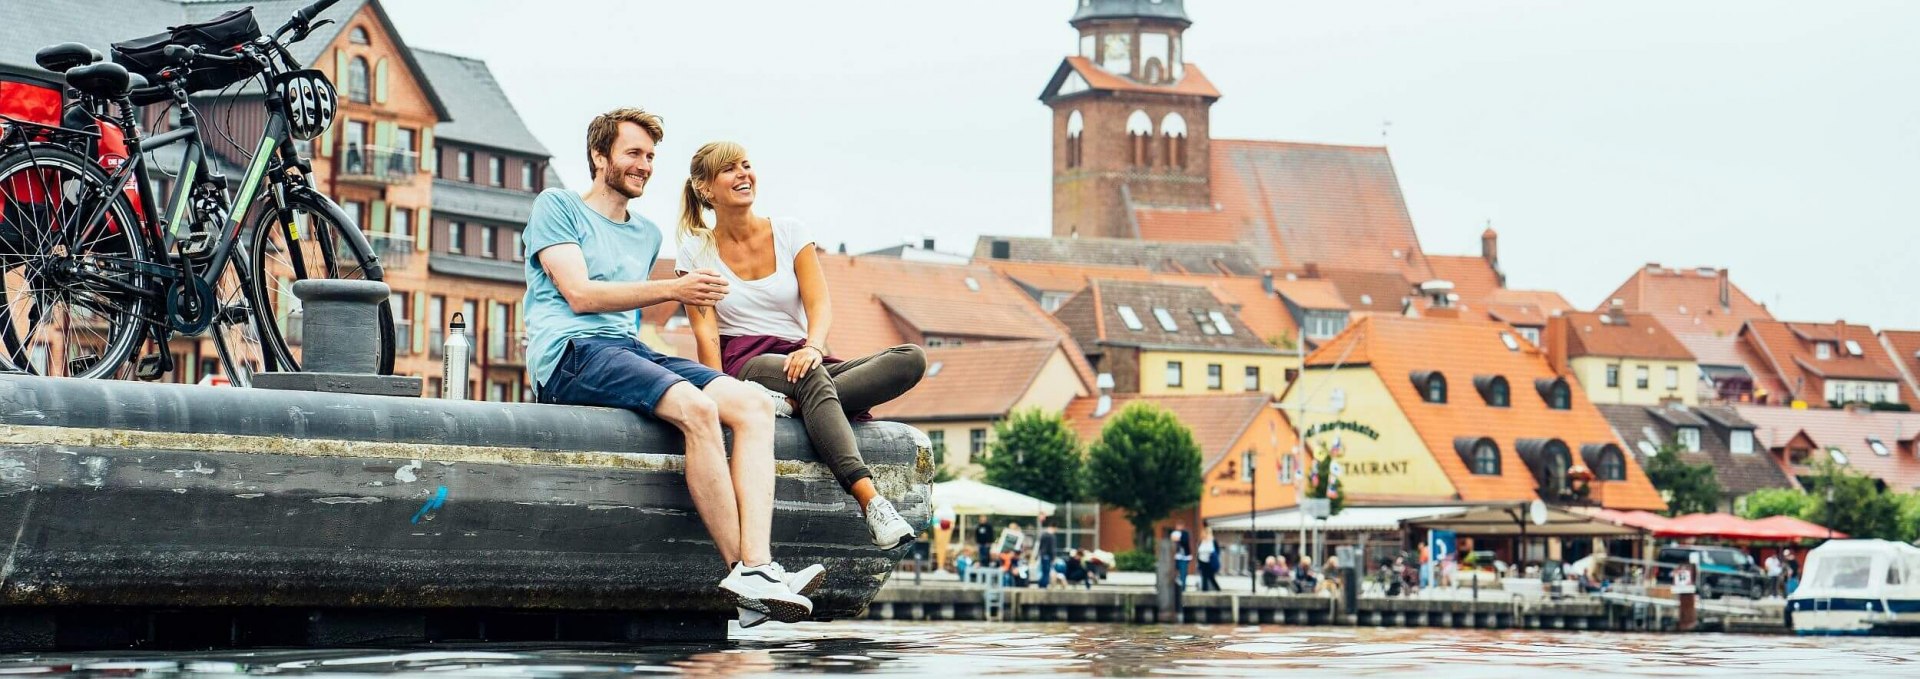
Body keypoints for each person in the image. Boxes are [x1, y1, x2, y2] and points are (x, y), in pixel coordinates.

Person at [525, 108, 816, 626]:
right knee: (696, 408)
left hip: (625, 350)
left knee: (751, 404)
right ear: (600, 157)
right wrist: (675, 288)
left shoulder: (647, 234)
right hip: (570, 354)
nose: (644, 165)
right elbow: (581, 294)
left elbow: (626, 322)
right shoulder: (558, 206)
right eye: (633, 153)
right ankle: (742, 571)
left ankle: (761, 569)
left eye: (651, 157)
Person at [673, 141, 926, 548]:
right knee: (812, 378)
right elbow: (706, 336)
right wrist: (725, 393)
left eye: (746, 165)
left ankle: (790, 406)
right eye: (729, 169)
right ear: (705, 188)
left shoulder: (791, 232)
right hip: (749, 362)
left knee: (910, 359)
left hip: (805, 357)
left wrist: (813, 345)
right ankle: (872, 501)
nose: (743, 174)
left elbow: (819, 303)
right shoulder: (695, 251)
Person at [1169, 522, 1193, 591]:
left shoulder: (1185, 533)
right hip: (1175, 557)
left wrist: (1178, 538)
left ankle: (1182, 588)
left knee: (1183, 573)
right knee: (1173, 573)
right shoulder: (1173, 533)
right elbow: (1172, 540)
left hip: (1184, 557)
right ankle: (1174, 587)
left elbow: (1185, 541)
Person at [1037, 524, 1058, 589]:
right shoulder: (1052, 537)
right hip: (1048, 556)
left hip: (1043, 555)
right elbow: (1052, 548)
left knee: (1043, 571)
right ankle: (1044, 585)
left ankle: (1041, 584)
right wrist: (1053, 558)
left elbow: (1040, 546)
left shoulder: (1043, 535)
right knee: (1046, 571)